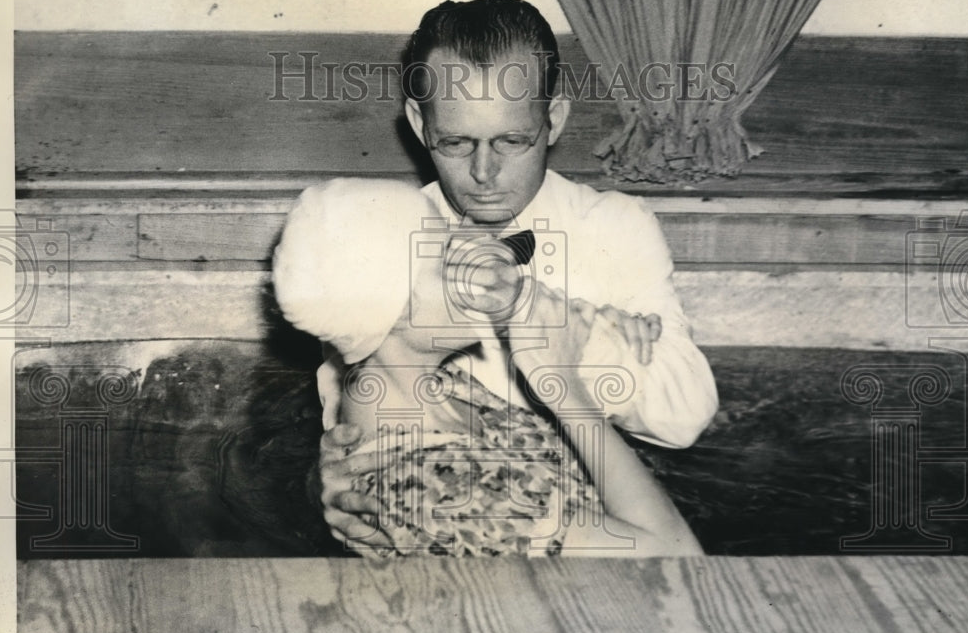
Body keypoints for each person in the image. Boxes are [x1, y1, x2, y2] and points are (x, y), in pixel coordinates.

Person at [318, 0, 718, 549]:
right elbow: (348, 434)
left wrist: (569, 337)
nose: (483, 174)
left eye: (511, 141)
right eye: (456, 143)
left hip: (614, 524)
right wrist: (320, 487)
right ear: (419, 122)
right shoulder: (385, 243)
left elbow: (684, 415)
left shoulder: (615, 226)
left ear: (553, 119)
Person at [273, 177, 704, 556]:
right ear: (393, 310)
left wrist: (600, 337)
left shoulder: (443, 386)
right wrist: (567, 391)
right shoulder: (441, 488)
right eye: (445, 258)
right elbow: (679, 566)